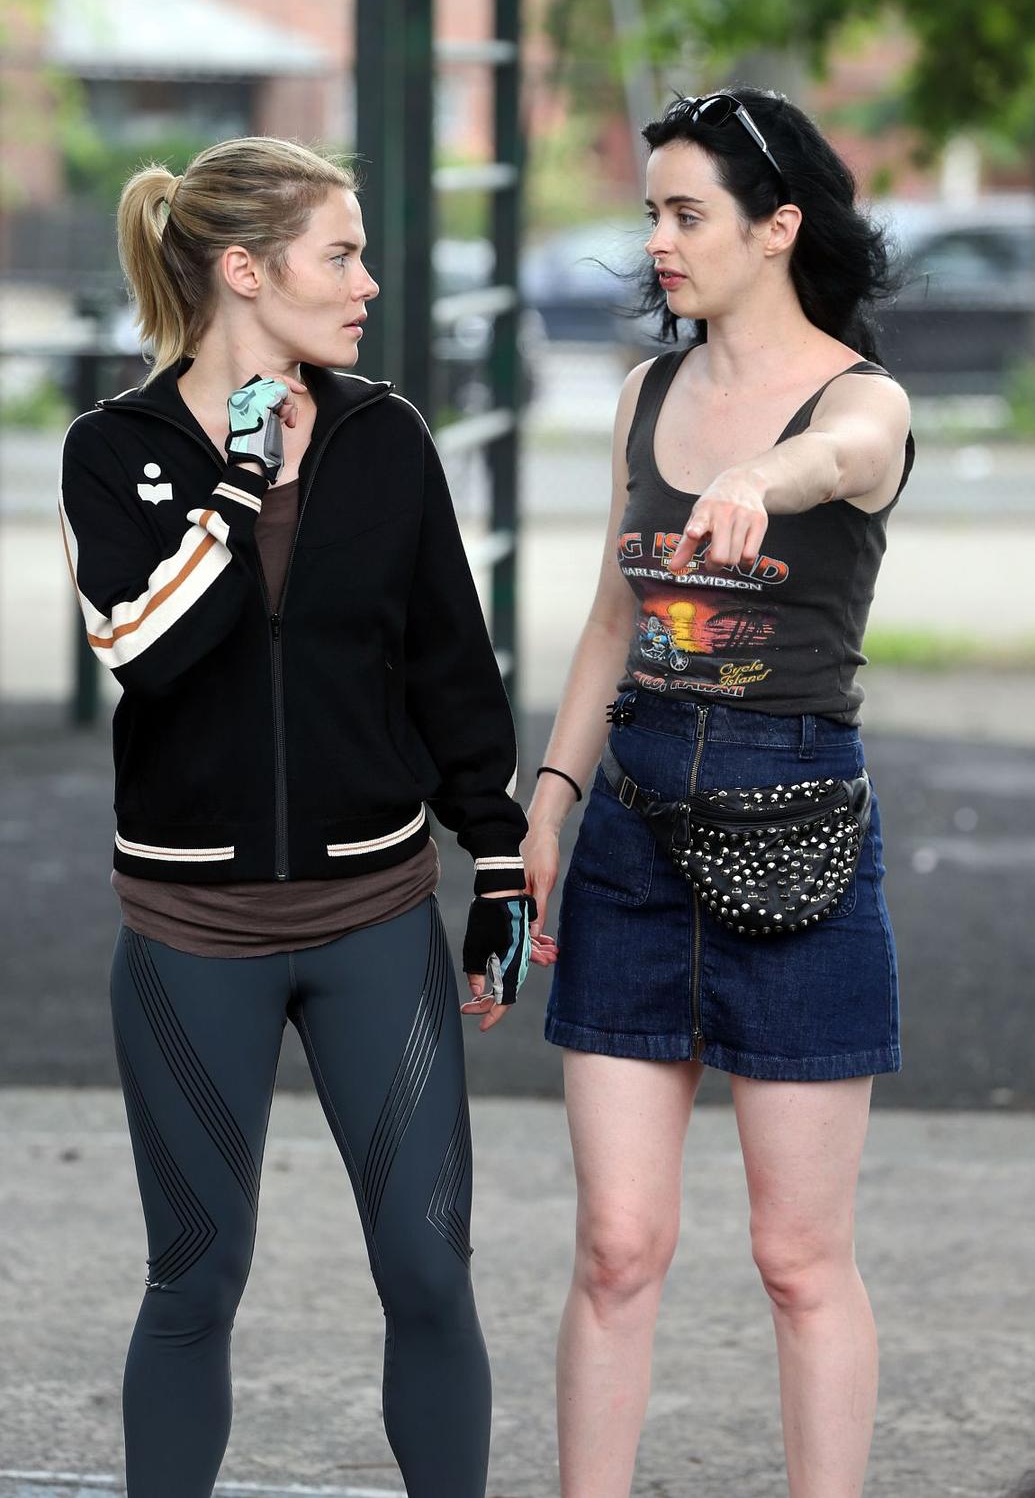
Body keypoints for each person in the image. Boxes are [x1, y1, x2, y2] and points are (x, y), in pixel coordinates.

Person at [58, 136, 550, 1498]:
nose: (367, 284)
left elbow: (450, 665)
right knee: (195, 1276)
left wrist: (496, 858)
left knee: (428, 1268)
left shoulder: (385, 438)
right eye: (341, 256)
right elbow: (146, 650)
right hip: (189, 935)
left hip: (372, 922)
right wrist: (237, 476)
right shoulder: (113, 452)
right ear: (244, 270)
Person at [524, 87, 915, 1498]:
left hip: (796, 834)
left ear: (778, 227)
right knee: (616, 1248)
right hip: (629, 836)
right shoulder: (646, 394)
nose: (659, 242)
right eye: (653, 214)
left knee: (799, 1259)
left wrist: (763, 469)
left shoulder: (862, 397)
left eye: (688, 215)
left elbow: (848, 457)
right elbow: (610, 621)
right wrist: (548, 805)